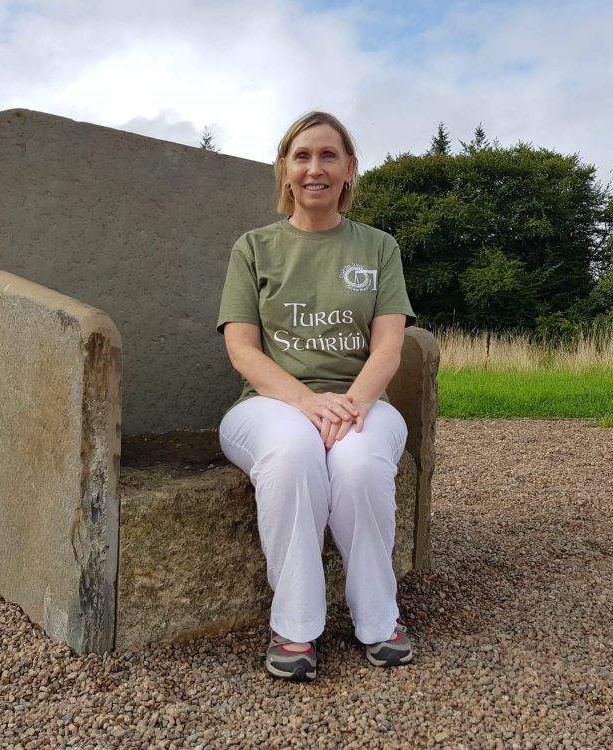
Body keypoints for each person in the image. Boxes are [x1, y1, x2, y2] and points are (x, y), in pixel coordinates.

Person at [215, 111, 418, 681]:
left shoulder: (379, 248)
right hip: (270, 405)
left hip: (361, 401)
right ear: (284, 169)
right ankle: (297, 625)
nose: (315, 169)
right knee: (294, 454)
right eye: (302, 156)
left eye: (329, 156)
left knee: (357, 463)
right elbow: (243, 351)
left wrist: (349, 406)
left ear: (350, 169)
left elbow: (387, 350)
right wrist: (306, 404)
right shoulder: (253, 248)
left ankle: (379, 620)